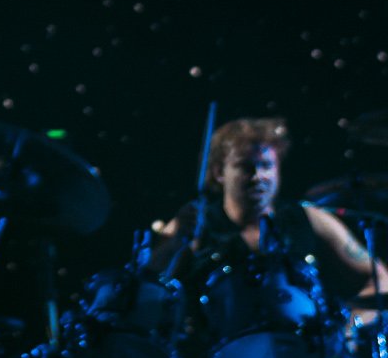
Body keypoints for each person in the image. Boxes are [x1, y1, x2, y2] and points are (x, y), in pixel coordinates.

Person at [150, 116, 388, 309]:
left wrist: (352, 324)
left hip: (307, 357)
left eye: (265, 165)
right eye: (245, 166)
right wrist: (177, 242)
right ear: (219, 172)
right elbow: (148, 286)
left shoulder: (308, 218)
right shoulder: (196, 221)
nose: (257, 176)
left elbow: (380, 280)